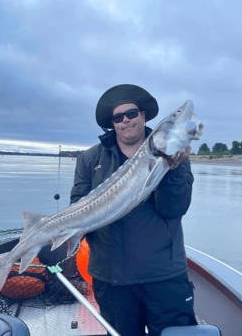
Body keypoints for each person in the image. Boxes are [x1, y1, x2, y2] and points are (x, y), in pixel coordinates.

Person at [70, 84, 197, 336]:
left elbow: (175, 209)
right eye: (118, 117)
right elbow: (77, 205)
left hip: (164, 274)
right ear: (112, 124)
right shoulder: (90, 158)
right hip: (111, 278)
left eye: (131, 113)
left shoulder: (175, 155)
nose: (125, 120)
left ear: (143, 116)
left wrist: (172, 172)